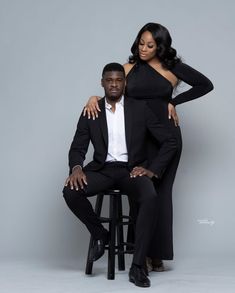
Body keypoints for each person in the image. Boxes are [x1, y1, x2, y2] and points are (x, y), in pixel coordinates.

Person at [83, 23, 214, 272]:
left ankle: (158, 255)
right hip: (139, 138)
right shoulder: (127, 68)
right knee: (140, 193)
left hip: (166, 138)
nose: (144, 49)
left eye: (150, 45)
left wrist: (174, 102)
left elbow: (205, 84)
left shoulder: (172, 68)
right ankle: (139, 251)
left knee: (162, 194)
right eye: (141, 43)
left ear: (160, 47)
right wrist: (92, 99)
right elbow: (111, 90)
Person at [63, 63, 177, 287]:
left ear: (125, 83)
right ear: (102, 82)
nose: (114, 84)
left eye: (118, 80)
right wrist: (76, 168)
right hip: (103, 170)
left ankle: (137, 267)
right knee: (70, 191)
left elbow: (169, 141)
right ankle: (100, 235)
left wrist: (152, 170)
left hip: (131, 171)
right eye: (109, 80)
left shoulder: (139, 108)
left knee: (150, 197)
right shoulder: (91, 110)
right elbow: (77, 147)